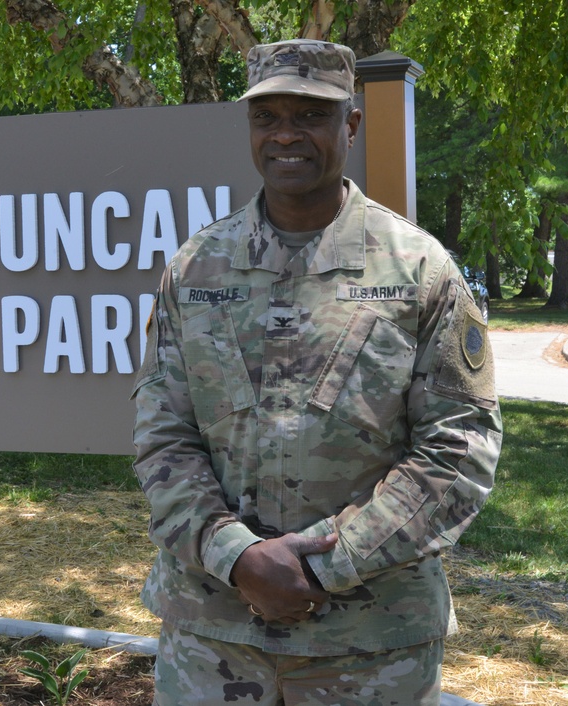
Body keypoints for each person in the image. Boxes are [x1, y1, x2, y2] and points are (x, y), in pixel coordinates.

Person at [131, 38, 502, 706]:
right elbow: (164, 436)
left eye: (310, 115)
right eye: (267, 117)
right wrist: (237, 557)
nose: (285, 136)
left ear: (350, 125)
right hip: (212, 639)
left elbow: (459, 451)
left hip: (369, 645)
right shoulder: (194, 271)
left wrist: (323, 566)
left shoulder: (419, 273)